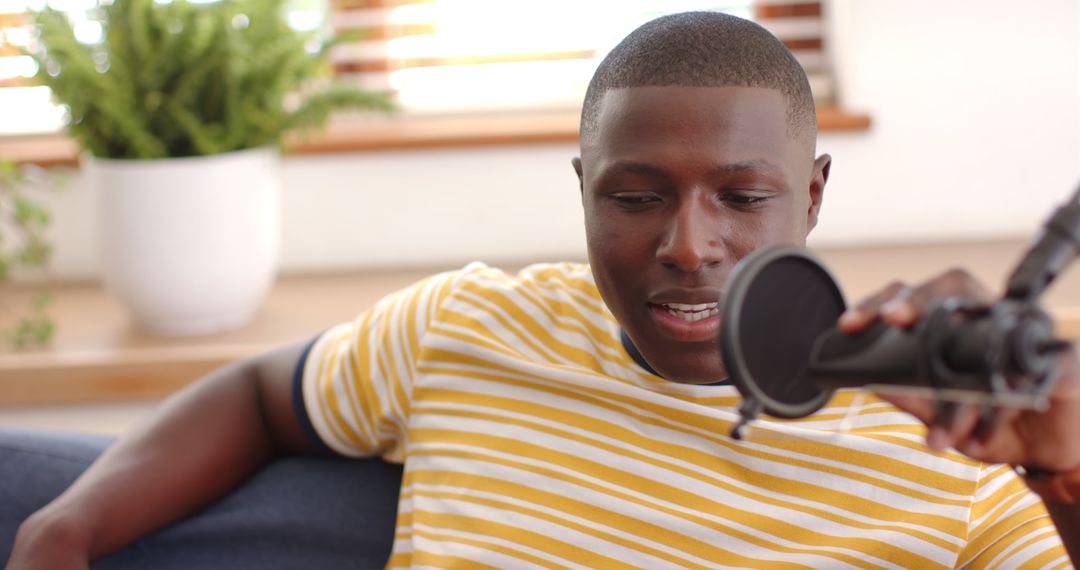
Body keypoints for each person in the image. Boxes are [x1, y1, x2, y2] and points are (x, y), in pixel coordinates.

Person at [8, 10, 1080, 568]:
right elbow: (256, 395)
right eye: (635, 197)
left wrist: (1065, 470)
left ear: (812, 193)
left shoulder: (959, 455)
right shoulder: (467, 326)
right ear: (583, 191)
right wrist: (62, 531)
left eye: (743, 197)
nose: (688, 245)